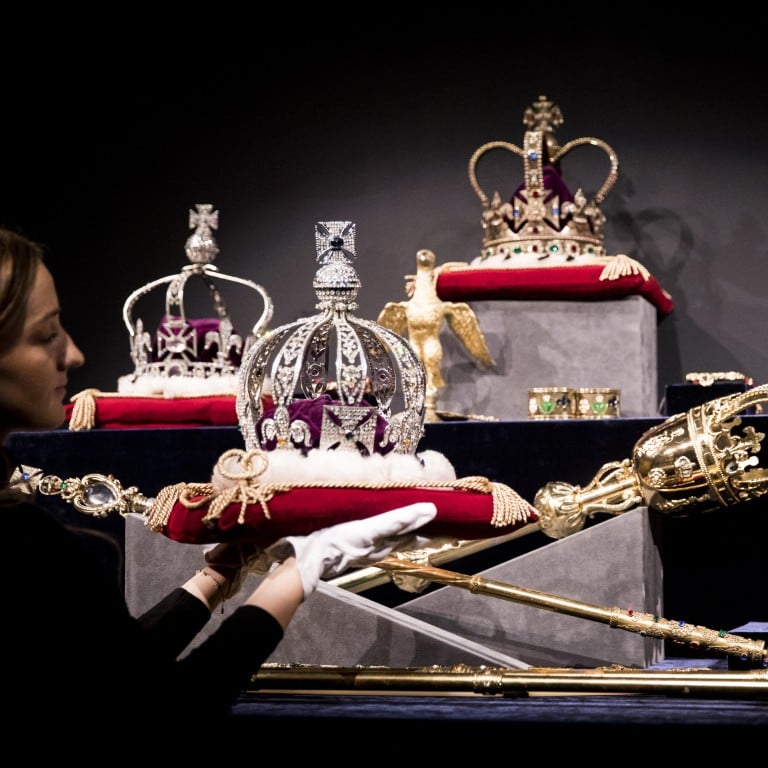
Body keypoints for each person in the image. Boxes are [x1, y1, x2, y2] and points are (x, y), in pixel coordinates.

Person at [0, 227, 436, 745]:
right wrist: (298, 575)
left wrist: (212, 583)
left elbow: (113, 676)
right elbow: (161, 713)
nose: (74, 354)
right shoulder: (18, 538)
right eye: (47, 334)